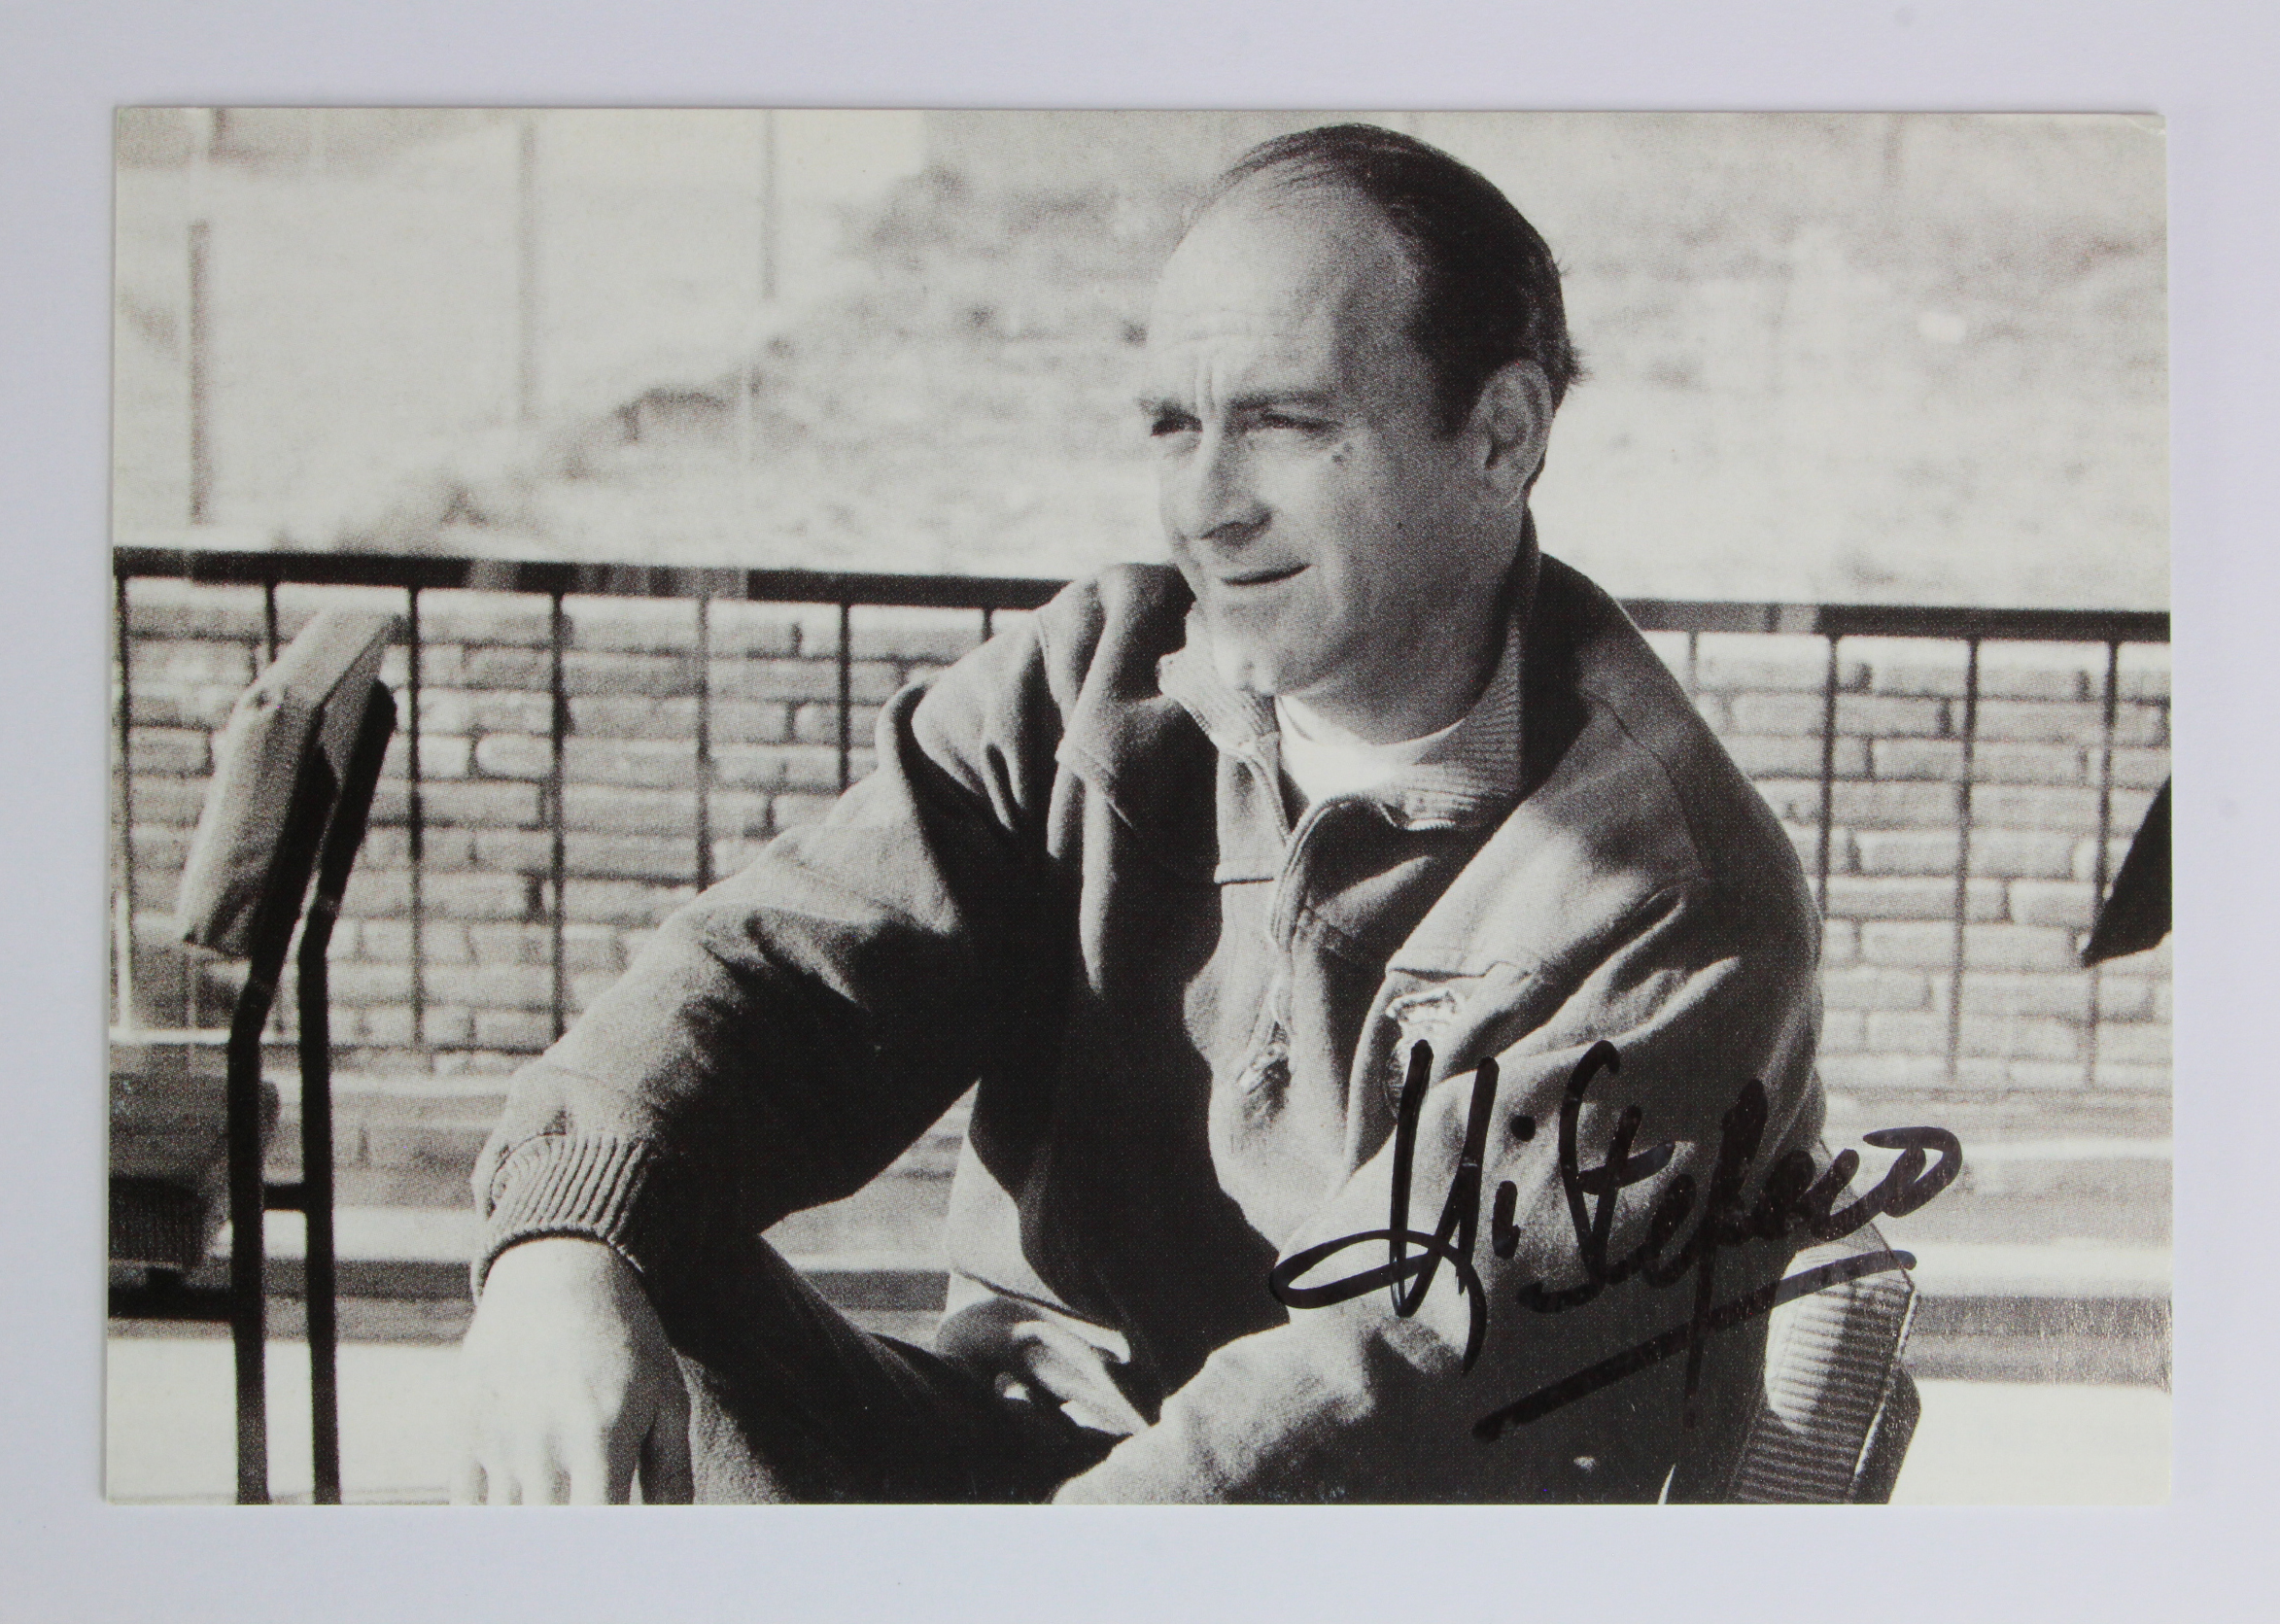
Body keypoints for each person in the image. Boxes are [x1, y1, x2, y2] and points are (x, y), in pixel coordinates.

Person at [453, 123, 1824, 1504]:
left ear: (1499, 434)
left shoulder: (1668, 892)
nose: (1202, 509)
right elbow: (763, 981)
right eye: (1172, 423)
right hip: (1014, 1461)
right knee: (634, 1232)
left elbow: (1383, 1386)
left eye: (1284, 423)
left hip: (1342, 1550)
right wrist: (561, 1250)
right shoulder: (1085, 685)